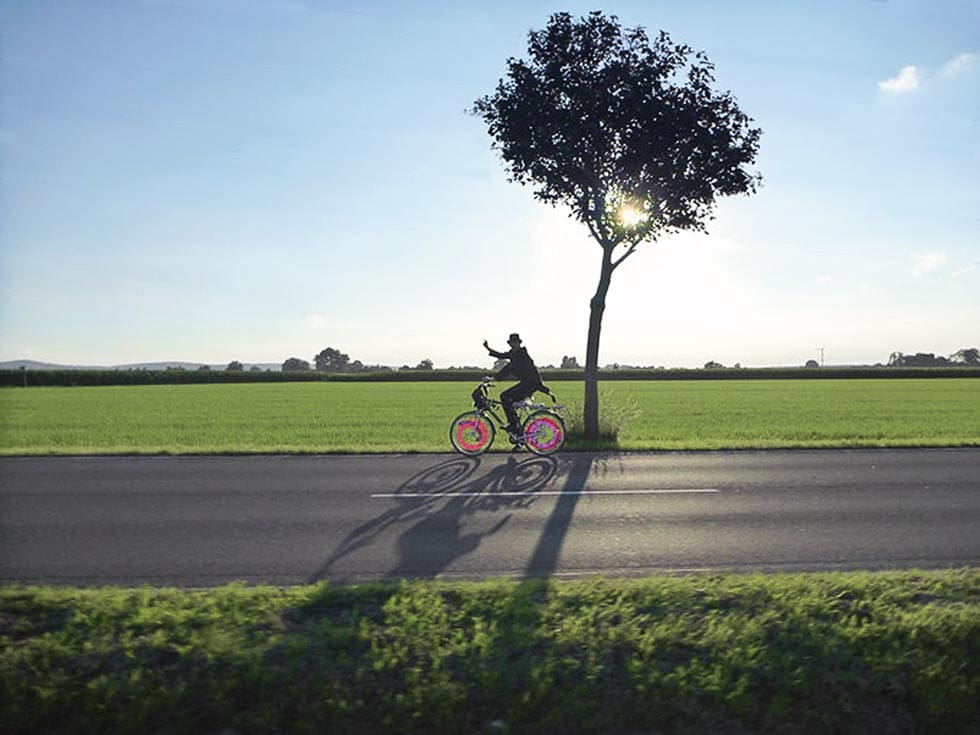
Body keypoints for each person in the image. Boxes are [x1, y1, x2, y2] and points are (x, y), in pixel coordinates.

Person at [483, 333, 543, 436]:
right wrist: (488, 348)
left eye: (515, 343)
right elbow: (501, 355)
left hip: (531, 383)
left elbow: (510, 367)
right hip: (527, 382)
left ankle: (514, 425)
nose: (513, 345)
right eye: (511, 343)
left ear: (519, 343)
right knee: (509, 400)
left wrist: (494, 378)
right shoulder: (513, 353)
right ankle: (517, 432)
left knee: (504, 396)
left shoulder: (521, 354)